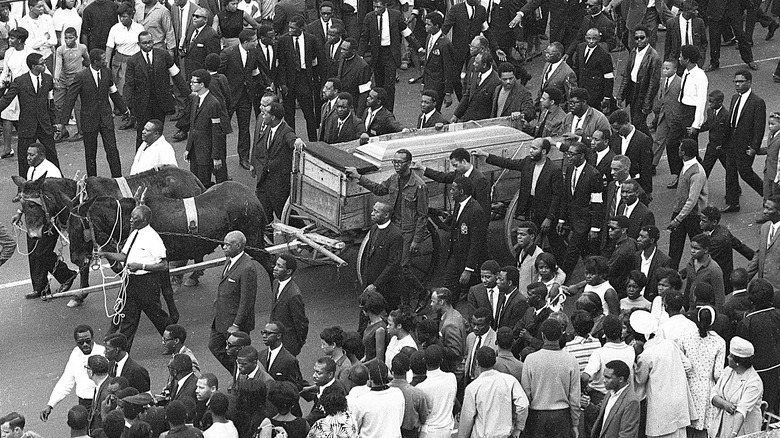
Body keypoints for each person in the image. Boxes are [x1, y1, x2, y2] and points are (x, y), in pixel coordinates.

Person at [346, 150, 428, 303]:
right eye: (394, 162)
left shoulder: (419, 186)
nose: (397, 165)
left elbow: (423, 216)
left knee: (403, 267)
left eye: (400, 162)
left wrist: (416, 240)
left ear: (409, 164)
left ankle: (420, 294)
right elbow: (379, 189)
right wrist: (359, 177)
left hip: (407, 232)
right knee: (393, 265)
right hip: (393, 228)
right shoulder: (393, 179)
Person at [97, 206, 177, 352]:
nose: (131, 220)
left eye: (135, 218)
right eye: (131, 217)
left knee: (157, 315)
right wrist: (106, 254)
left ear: (145, 220)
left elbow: (163, 265)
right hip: (131, 282)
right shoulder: (135, 234)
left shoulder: (153, 238)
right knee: (128, 318)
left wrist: (141, 266)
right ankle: (123, 352)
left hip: (146, 283)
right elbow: (123, 257)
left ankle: (174, 343)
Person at [11, 144, 76, 300]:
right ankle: (40, 287)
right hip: (34, 217)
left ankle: (66, 275)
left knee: (42, 252)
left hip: (48, 219)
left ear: (41, 155)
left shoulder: (50, 172)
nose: (28, 158)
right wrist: (20, 212)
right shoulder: (31, 169)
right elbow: (29, 196)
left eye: (32, 155)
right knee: (33, 252)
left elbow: (57, 198)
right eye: (27, 154)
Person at [57, 48, 127, 177]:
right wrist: (63, 122)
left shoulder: (107, 72)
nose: (106, 61)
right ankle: (92, 181)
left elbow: (113, 91)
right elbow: (70, 98)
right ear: (95, 62)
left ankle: (118, 179)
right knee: (90, 153)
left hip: (105, 118)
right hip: (89, 119)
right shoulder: (81, 76)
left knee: (112, 150)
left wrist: (124, 110)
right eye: (103, 59)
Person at [631, 310, 693, 438]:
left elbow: (640, 379)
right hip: (679, 402)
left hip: (661, 408)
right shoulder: (670, 344)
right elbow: (687, 365)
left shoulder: (645, 356)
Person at [124, 31, 189, 148]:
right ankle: (141, 162)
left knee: (158, 133)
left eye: (150, 42)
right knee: (142, 134)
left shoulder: (163, 55)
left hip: (160, 102)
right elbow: (129, 83)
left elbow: (176, 75)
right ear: (139, 44)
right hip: (142, 104)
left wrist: (187, 94)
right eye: (144, 43)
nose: (148, 45)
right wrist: (126, 105)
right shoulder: (132, 61)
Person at [0, 52, 59, 178]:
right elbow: (7, 99)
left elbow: (50, 102)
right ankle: (23, 189)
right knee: (24, 160)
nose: (44, 65)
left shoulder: (48, 79)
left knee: (52, 155)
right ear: (33, 66)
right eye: (41, 64)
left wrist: (54, 122)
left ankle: (59, 185)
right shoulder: (20, 81)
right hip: (27, 125)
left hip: (44, 124)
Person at [521, 319, 580, 438]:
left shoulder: (531, 360)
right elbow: (574, 397)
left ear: (543, 336)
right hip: (562, 416)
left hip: (536, 416)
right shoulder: (571, 360)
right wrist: (575, 423)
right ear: (561, 335)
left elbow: (526, 393)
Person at [209, 230, 258, 373]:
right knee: (215, 346)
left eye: (227, 245)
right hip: (221, 319)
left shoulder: (247, 268)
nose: (223, 247)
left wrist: (236, 324)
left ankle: (242, 377)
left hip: (235, 323)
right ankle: (236, 373)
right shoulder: (230, 260)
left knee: (238, 354)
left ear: (237, 246)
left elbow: (247, 301)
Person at [357, 0, 420, 112]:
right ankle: (379, 112)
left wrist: (418, 47)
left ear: (385, 6)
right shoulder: (369, 17)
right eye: (374, 7)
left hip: (390, 53)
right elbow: (364, 37)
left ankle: (389, 112)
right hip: (377, 54)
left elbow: (405, 32)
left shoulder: (395, 15)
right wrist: (360, 56)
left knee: (390, 86)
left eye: (378, 7)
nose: (376, 10)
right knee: (379, 85)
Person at [39, 325, 105, 422]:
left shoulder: (103, 352)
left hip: (101, 401)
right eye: (81, 343)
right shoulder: (75, 354)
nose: (85, 345)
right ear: (76, 342)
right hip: (84, 403)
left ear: (93, 338)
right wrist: (51, 404)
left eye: (88, 341)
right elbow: (66, 381)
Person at [558, 141, 604, 276]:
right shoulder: (570, 169)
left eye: (572, 154)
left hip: (585, 221)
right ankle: (596, 276)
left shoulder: (593, 174)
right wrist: (561, 219)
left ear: (582, 156)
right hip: (573, 219)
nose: (569, 157)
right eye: (568, 154)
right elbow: (566, 197)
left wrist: (595, 228)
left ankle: (562, 281)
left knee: (571, 253)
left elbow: (597, 203)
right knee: (586, 254)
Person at [460, 347, 528, 438]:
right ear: (495, 361)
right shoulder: (509, 380)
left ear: (477, 363)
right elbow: (523, 405)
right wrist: (518, 428)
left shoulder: (473, 388)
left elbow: (467, 419)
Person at [723, 70, 766, 213]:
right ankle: (732, 202)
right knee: (730, 172)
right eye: (735, 81)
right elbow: (731, 121)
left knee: (745, 173)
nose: (737, 84)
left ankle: (769, 197)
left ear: (749, 82)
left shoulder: (757, 102)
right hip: (731, 143)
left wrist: (754, 146)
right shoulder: (735, 98)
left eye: (741, 81)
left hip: (745, 145)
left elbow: (759, 127)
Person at [251, 101, 302, 222]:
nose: (263, 116)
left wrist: (297, 142)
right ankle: (267, 240)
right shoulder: (269, 128)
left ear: (273, 117)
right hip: (264, 182)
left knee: (285, 216)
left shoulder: (286, 131)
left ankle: (304, 232)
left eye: (265, 114)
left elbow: (292, 140)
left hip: (278, 185)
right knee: (264, 216)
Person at [666, 45, 708, 189]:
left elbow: (701, 101)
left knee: (690, 148)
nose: (679, 58)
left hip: (691, 112)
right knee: (671, 143)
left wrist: (696, 124)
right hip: (681, 110)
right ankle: (678, 173)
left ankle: (697, 176)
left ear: (687, 59)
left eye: (681, 56)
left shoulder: (700, 76)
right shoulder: (685, 71)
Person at [736, 279, 780, 414]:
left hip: (759, 377)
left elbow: (742, 356)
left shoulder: (747, 323)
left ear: (751, 299)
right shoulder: (778, 315)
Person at [219, 28, 260, 170]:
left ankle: (243, 157)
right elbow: (219, 75)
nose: (256, 43)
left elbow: (254, 71)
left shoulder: (254, 52)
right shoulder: (228, 54)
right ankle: (220, 159)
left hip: (246, 96)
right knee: (223, 129)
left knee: (245, 127)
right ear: (246, 42)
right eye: (254, 40)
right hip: (229, 97)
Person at [443, 177, 488, 304]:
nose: (451, 192)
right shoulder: (460, 204)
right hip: (455, 257)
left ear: (461, 191)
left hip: (467, 261)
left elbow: (476, 242)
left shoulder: (475, 211)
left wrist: (468, 269)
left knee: (476, 296)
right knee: (448, 291)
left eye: (453, 189)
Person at [709, 336, 764, 437]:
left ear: (738, 362)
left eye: (730, 355)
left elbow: (741, 411)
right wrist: (725, 404)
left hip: (741, 430)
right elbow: (713, 394)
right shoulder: (728, 371)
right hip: (723, 426)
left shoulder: (754, 382)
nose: (727, 357)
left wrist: (733, 434)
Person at [184, 68, 231, 186]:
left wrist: (216, 157)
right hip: (195, 150)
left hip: (206, 153)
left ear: (202, 84)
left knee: (203, 184)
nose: (191, 84)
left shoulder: (213, 103)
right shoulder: (195, 99)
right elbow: (192, 125)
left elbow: (216, 132)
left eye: (193, 82)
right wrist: (188, 148)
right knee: (195, 182)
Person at [277, 16, 321, 141]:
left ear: (301, 28)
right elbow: (281, 64)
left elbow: (315, 60)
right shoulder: (283, 40)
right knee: (289, 115)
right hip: (289, 80)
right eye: (289, 27)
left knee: (309, 113)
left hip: (304, 78)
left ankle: (313, 142)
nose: (290, 30)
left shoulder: (310, 39)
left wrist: (314, 79)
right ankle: (291, 142)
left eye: (293, 28)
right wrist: (283, 84)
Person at [668, 138, 708, 270]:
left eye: (679, 148)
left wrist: (678, 219)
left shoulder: (697, 172)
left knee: (698, 247)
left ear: (683, 152)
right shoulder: (686, 166)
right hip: (682, 212)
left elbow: (692, 200)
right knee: (674, 248)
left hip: (692, 216)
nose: (677, 150)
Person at [417, 147, 491, 217]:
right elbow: (442, 177)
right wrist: (422, 168)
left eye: (455, 165)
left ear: (464, 162)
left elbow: (484, 208)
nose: (454, 168)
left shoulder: (480, 180)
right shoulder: (459, 173)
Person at [698, 207, 753, 295]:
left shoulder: (715, 241)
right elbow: (738, 245)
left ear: (714, 222)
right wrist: (754, 256)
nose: (700, 223)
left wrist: (682, 273)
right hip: (727, 276)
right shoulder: (723, 229)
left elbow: (703, 260)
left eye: (704, 221)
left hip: (718, 280)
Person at [440, 0, 487, 100]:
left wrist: (496, 48)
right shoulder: (456, 9)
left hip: (474, 50)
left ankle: (471, 100)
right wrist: (437, 42)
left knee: (474, 76)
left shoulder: (481, 10)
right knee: (455, 77)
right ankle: (462, 100)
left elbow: (486, 29)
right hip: (458, 50)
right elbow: (446, 27)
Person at [105, 4, 143, 124]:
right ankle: (127, 115)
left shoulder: (139, 28)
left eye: (125, 16)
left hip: (135, 60)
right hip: (119, 60)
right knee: (122, 89)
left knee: (135, 89)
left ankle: (136, 117)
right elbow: (109, 47)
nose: (122, 19)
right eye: (120, 17)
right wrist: (106, 65)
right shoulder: (115, 29)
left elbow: (143, 46)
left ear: (131, 15)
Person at [53, 26, 88, 143]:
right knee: (58, 104)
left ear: (76, 38)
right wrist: (56, 77)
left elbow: (87, 60)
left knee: (78, 106)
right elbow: (58, 64)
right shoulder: (60, 50)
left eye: (71, 38)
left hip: (76, 81)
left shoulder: (82, 48)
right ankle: (61, 130)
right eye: (66, 38)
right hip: (63, 79)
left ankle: (81, 131)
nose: (68, 40)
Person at [351, 361, 405, 438]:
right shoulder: (398, 393)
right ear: (387, 375)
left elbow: (355, 427)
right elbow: (399, 420)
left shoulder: (361, 401)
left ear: (369, 378)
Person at [270, 254, 310, 357]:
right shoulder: (275, 283)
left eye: (279, 266)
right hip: (276, 341)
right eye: (276, 265)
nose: (275, 268)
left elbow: (301, 323)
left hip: (288, 345)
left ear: (288, 271)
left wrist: (298, 344)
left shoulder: (294, 295)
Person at [589, 360, 641, 438]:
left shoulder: (631, 401)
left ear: (620, 379)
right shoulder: (610, 392)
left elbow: (627, 434)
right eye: (604, 376)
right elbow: (600, 414)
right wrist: (587, 405)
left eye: (608, 377)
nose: (604, 380)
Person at [608, 110, 653, 196]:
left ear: (626, 123)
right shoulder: (614, 137)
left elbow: (646, 167)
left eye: (618, 128)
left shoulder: (643, 140)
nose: (616, 131)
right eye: (613, 129)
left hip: (636, 184)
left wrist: (647, 191)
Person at [416, 12, 454, 112]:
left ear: (437, 26)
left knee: (433, 112)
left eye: (429, 24)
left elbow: (448, 68)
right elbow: (427, 63)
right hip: (428, 81)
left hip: (438, 84)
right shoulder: (429, 38)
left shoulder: (445, 44)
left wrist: (448, 92)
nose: (426, 26)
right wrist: (423, 83)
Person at [702, 0, 756, 72]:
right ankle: (714, 62)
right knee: (714, 37)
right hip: (716, 9)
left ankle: (749, 59)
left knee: (740, 34)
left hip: (734, 7)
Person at [416, 344, 456, 438]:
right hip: (447, 430)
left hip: (428, 432)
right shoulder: (451, 378)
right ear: (441, 360)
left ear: (424, 361)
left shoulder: (421, 387)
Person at [570, 29, 615, 111]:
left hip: (595, 93)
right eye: (588, 38)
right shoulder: (580, 47)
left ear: (599, 39)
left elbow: (608, 77)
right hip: (581, 87)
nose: (591, 41)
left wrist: (607, 96)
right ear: (585, 37)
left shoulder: (604, 55)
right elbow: (576, 67)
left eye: (594, 39)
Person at [451, 50, 499, 123]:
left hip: (482, 124)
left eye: (476, 63)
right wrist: (456, 115)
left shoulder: (495, 81)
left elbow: (494, 107)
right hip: (468, 119)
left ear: (484, 65)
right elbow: (467, 94)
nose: (473, 64)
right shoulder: (476, 73)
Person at [387, 354, 428, 438]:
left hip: (390, 433)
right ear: (409, 369)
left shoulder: (385, 391)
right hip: (410, 434)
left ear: (391, 370)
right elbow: (424, 418)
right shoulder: (417, 394)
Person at [258, 322, 305, 395]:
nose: (264, 336)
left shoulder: (289, 360)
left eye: (268, 333)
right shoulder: (260, 355)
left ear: (279, 335)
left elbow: (296, 386)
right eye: (263, 332)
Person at [651, 59, 681, 172]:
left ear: (675, 69)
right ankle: (652, 164)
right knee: (659, 139)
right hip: (663, 115)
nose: (664, 70)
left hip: (675, 117)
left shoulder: (680, 82)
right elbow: (660, 97)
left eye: (667, 68)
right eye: (663, 68)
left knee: (676, 142)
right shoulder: (663, 81)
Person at [300, 357, 347, 425]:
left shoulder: (333, 395)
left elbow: (313, 417)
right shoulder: (326, 384)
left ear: (330, 375)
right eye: (314, 371)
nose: (314, 375)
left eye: (318, 373)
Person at [335, 37, 372, 116]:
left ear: (353, 51)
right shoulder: (342, 59)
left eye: (345, 50)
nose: (341, 51)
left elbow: (364, 93)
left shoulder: (363, 66)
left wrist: (358, 114)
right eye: (341, 49)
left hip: (353, 106)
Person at [663, 0, 706, 68]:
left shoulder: (699, 22)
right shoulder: (671, 23)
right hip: (677, 59)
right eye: (694, 10)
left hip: (694, 61)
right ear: (687, 11)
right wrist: (667, 61)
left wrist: (701, 59)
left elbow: (704, 42)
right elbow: (668, 44)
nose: (697, 12)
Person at [535, 42, 577, 108]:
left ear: (559, 55)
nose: (546, 55)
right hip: (543, 108)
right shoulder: (547, 64)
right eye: (546, 52)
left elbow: (570, 97)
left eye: (550, 54)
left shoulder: (568, 73)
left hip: (557, 110)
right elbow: (542, 86)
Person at [700, 90, 730, 179]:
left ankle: (736, 189)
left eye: (711, 102)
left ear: (720, 102)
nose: (709, 104)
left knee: (729, 169)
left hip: (722, 148)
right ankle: (700, 188)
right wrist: (697, 129)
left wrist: (724, 145)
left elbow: (728, 133)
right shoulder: (710, 111)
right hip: (712, 146)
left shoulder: (726, 115)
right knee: (705, 168)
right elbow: (707, 125)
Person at [464, 307, 497, 383]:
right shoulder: (470, 337)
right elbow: (466, 356)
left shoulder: (495, 342)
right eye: (473, 324)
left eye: (480, 325)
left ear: (489, 324)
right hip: (469, 381)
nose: (475, 328)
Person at [466, 260, 501, 327]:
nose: (484, 280)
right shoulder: (475, 291)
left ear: (497, 275)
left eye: (488, 277)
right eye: (482, 277)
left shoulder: (503, 290)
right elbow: (472, 316)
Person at [496, 266, 529, 330]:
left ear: (509, 283)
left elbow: (514, 328)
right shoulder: (502, 295)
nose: (497, 281)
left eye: (501, 279)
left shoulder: (520, 301)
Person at [761, 112, 780, 200]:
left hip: (776, 173)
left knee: (775, 196)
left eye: (773, 124)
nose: (770, 126)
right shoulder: (770, 135)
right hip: (768, 170)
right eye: (769, 124)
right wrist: (757, 151)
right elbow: (769, 149)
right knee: (766, 194)